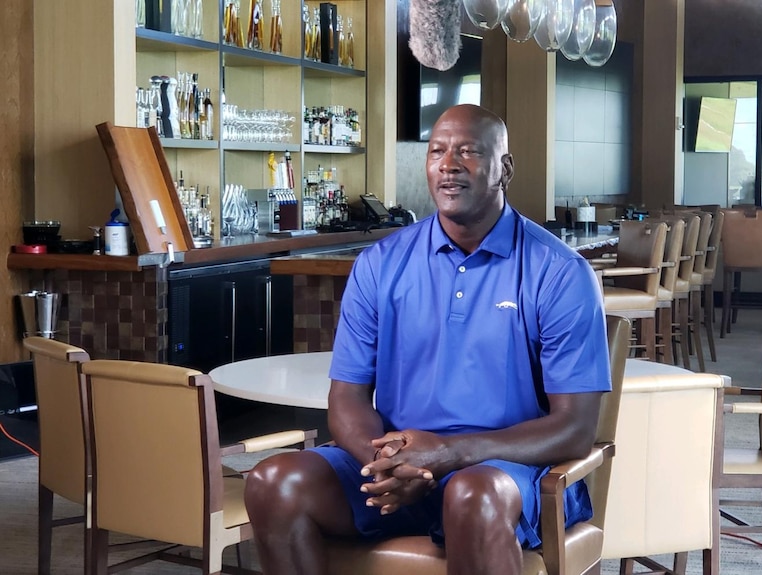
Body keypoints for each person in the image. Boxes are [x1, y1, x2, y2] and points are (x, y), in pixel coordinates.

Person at [244, 104, 611, 575]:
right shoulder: (380, 264)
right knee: (274, 481)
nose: (449, 163)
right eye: (437, 151)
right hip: (397, 463)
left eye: (469, 152)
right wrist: (394, 466)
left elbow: (575, 427)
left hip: (505, 471)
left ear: (505, 168)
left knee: (471, 495)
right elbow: (346, 400)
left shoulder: (558, 272)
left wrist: (448, 456)